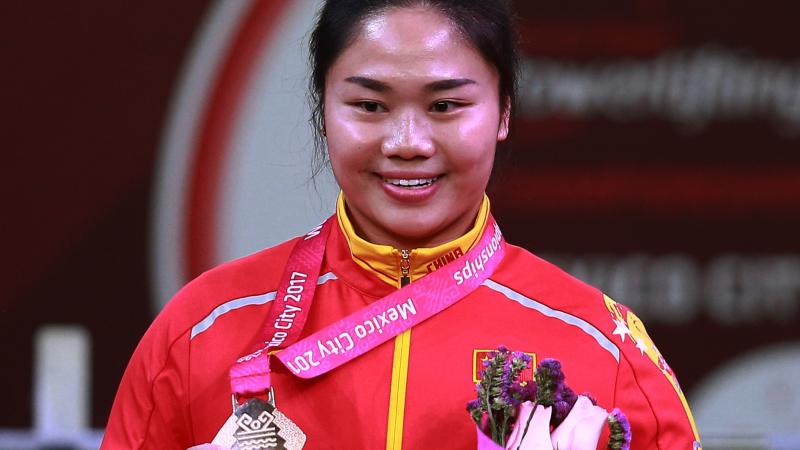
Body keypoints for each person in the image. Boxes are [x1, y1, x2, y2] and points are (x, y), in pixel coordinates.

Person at [102, 1, 702, 449]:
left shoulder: (603, 350)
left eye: (445, 106)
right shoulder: (205, 328)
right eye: (370, 105)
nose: (408, 143)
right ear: (322, 109)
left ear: (504, 113)